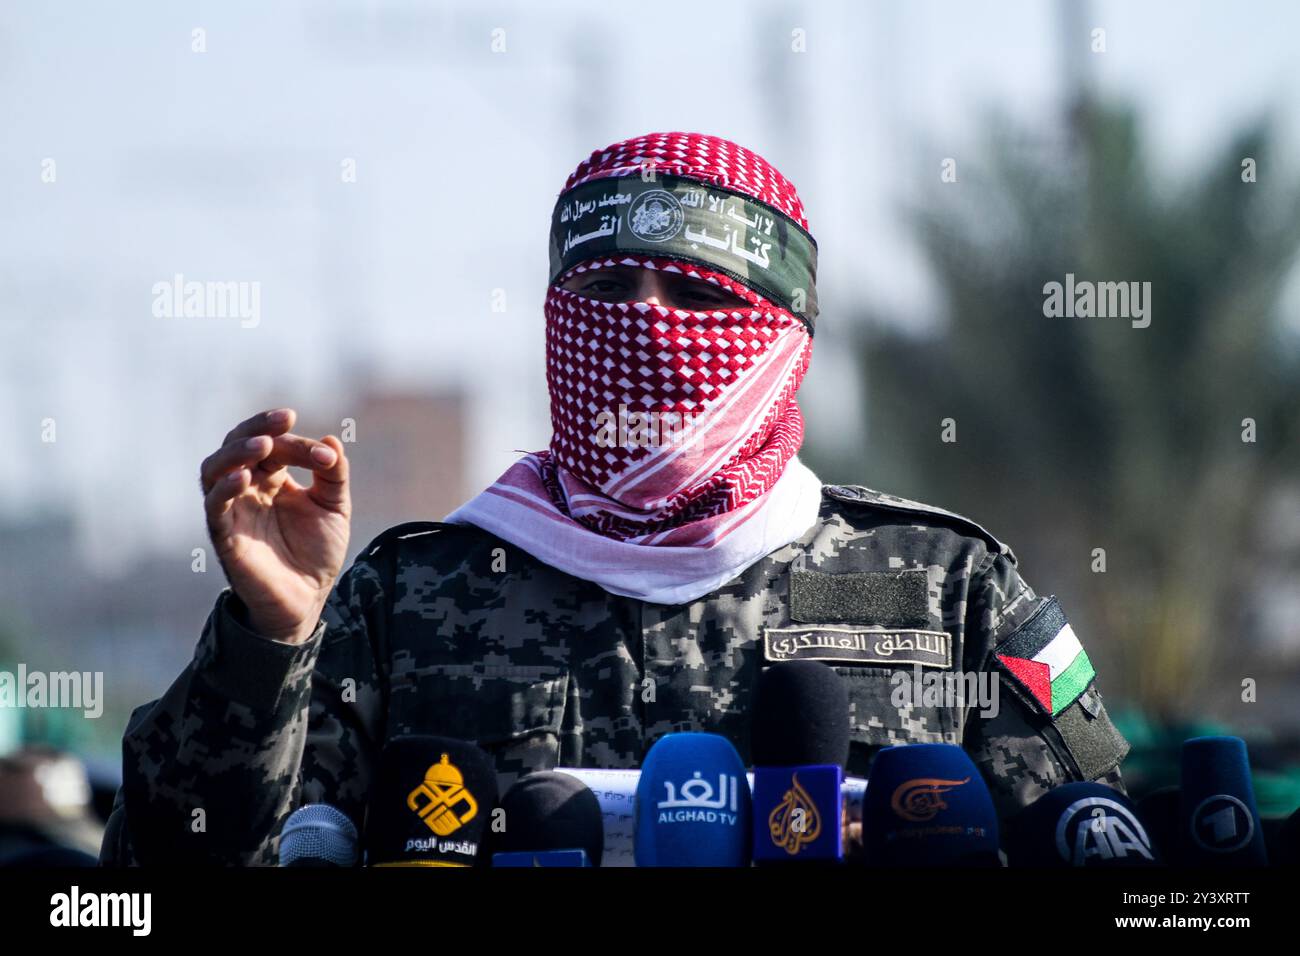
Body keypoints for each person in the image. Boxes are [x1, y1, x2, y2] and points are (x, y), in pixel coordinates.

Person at [101, 132, 1128, 865]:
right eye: (605, 293)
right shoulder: (405, 598)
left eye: (696, 296)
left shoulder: (946, 590)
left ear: (786, 335)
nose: (645, 325)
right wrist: (267, 640)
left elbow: (1109, 845)